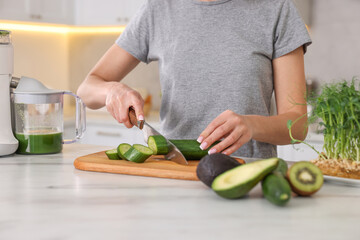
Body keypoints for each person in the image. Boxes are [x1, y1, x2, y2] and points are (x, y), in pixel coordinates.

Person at [77, 0, 311, 158]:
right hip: (174, 174)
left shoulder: (277, 9)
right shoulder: (158, 9)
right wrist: (112, 91)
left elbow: (297, 125)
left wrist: (251, 125)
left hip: (247, 176)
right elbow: (87, 89)